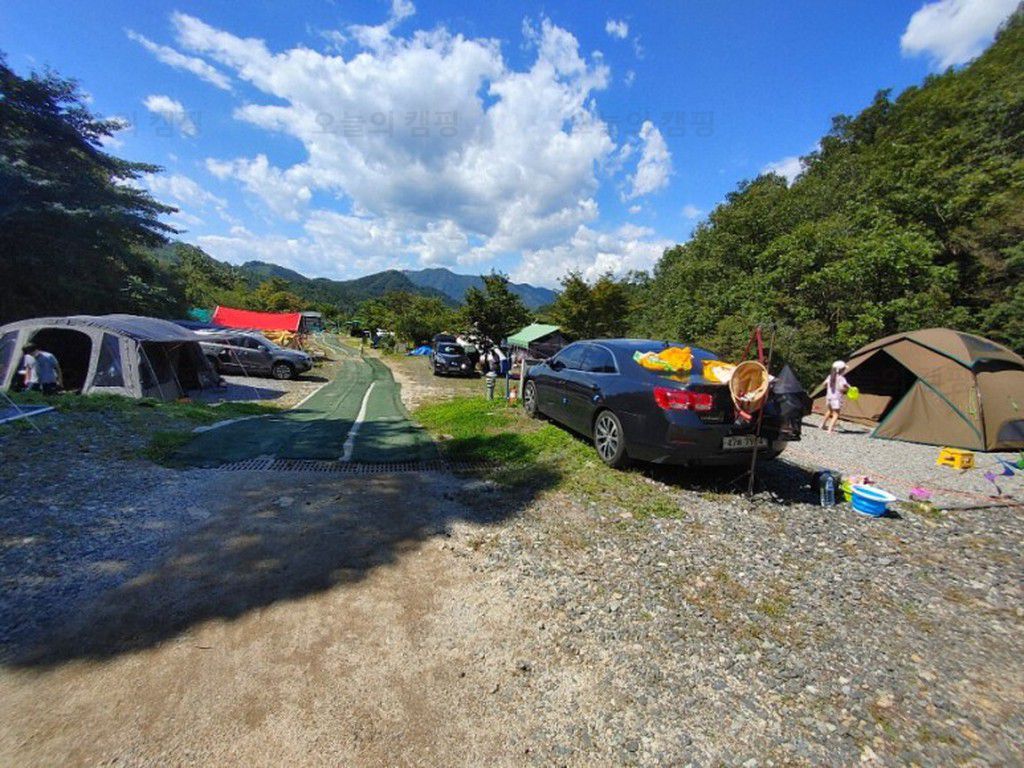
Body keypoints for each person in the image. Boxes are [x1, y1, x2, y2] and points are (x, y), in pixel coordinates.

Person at [821, 360, 849, 433]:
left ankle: (822, 425)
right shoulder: (842, 378)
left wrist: (829, 387)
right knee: (836, 414)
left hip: (829, 397)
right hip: (836, 398)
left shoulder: (830, 376)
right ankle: (829, 430)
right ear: (841, 370)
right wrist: (847, 389)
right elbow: (843, 388)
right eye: (844, 369)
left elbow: (824, 385)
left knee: (829, 411)